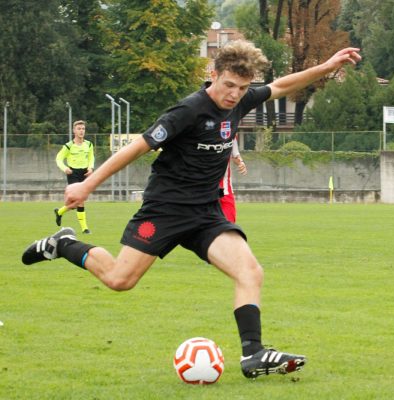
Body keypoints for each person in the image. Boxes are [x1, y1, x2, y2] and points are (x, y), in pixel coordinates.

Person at [22, 40, 361, 379]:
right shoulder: (187, 111)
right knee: (119, 280)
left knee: (250, 272)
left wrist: (327, 66)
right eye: (228, 85)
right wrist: (87, 185)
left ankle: (253, 354)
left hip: (205, 213)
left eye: (242, 88)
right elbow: (137, 147)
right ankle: (62, 244)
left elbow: (282, 85)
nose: (234, 94)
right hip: (164, 210)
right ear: (213, 75)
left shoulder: (241, 101)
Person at [54, 120, 94, 234]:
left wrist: (91, 168)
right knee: (79, 200)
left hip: (84, 173)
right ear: (74, 131)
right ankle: (85, 228)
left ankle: (60, 212)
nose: (81, 131)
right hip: (73, 173)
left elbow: (91, 158)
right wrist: (65, 168)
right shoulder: (68, 146)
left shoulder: (89, 144)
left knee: (77, 201)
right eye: (79, 129)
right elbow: (58, 158)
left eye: (83, 129)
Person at [220, 137, 246, 223]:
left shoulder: (230, 131)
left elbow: (235, 155)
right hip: (203, 189)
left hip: (225, 190)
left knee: (229, 226)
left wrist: (241, 162)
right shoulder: (200, 129)